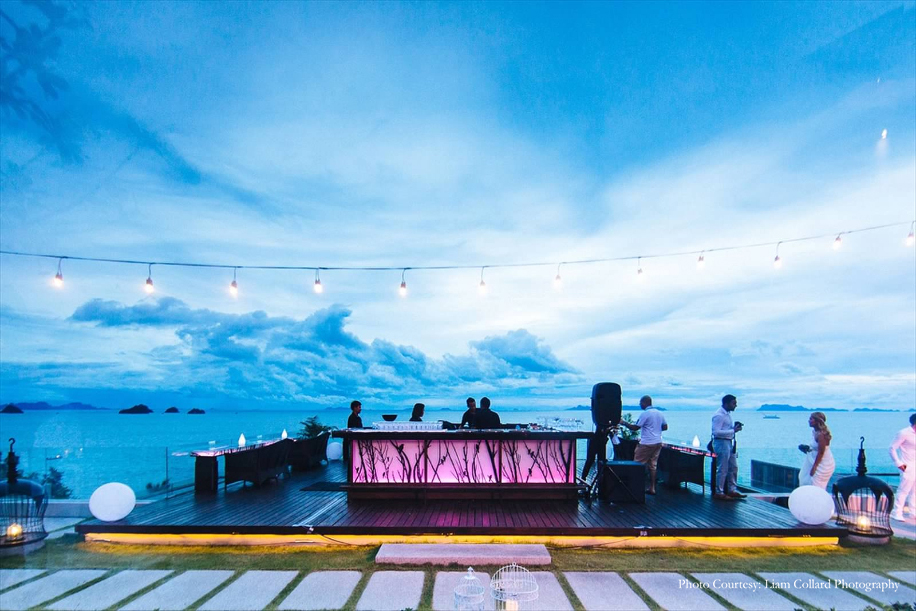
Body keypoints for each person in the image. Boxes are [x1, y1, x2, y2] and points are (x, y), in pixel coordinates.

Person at [621, 395, 667, 495]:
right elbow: (665, 427)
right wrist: (654, 430)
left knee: (637, 465)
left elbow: (635, 428)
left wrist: (624, 423)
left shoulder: (645, 414)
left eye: (640, 403)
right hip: (658, 442)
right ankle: (652, 488)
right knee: (653, 465)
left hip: (646, 443)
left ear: (645, 403)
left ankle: (634, 488)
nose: (640, 404)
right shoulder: (660, 413)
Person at [711, 394, 746, 500]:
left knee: (733, 467)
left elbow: (723, 429)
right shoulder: (719, 415)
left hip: (728, 442)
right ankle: (719, 491)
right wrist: (733, 430)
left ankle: (732, 489)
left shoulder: (726, 414)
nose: (735, 405)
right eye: (733, 403)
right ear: (727, 403)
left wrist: (733, 429)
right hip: (721, 443)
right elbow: (716, 432)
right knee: (723, 468)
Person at [889, 413, 916, 521]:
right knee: (904, 490)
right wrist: (898, 463)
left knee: (915, 490)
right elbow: (892, 448)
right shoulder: (904, 433)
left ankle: (913, 511)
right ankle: (896, 512)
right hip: (907, 465)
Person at [797, 411, 835, 489]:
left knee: (815, 484)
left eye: (811, 419)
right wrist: (807, 449)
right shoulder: (815, 432)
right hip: (814, 459)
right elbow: (816, 448)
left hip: (822, 463)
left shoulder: (821, 435)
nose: (809, 421)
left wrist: (814, 467)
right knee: (804, 478)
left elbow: (821, 452)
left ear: (817, 421)